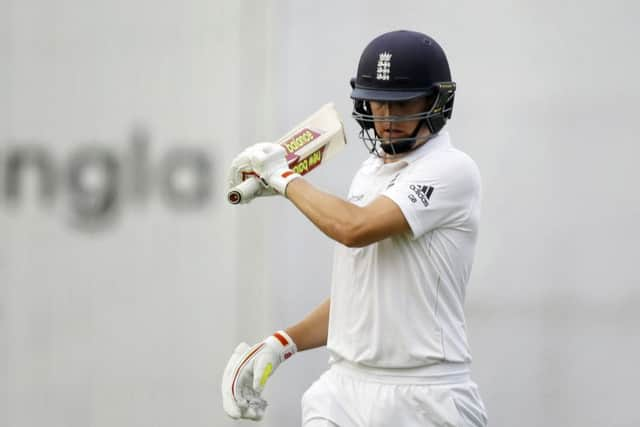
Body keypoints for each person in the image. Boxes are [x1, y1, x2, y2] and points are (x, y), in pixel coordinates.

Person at [222, 30, 488, 427]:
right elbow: (359, 299)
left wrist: (283, 178)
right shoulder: (370, 172)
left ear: (437, 102)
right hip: (343, 390)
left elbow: (353, 228)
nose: (387, 116)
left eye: (403, 103)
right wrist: (283, 344)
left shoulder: (452, 170)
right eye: (378, 102)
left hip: (426, 396)